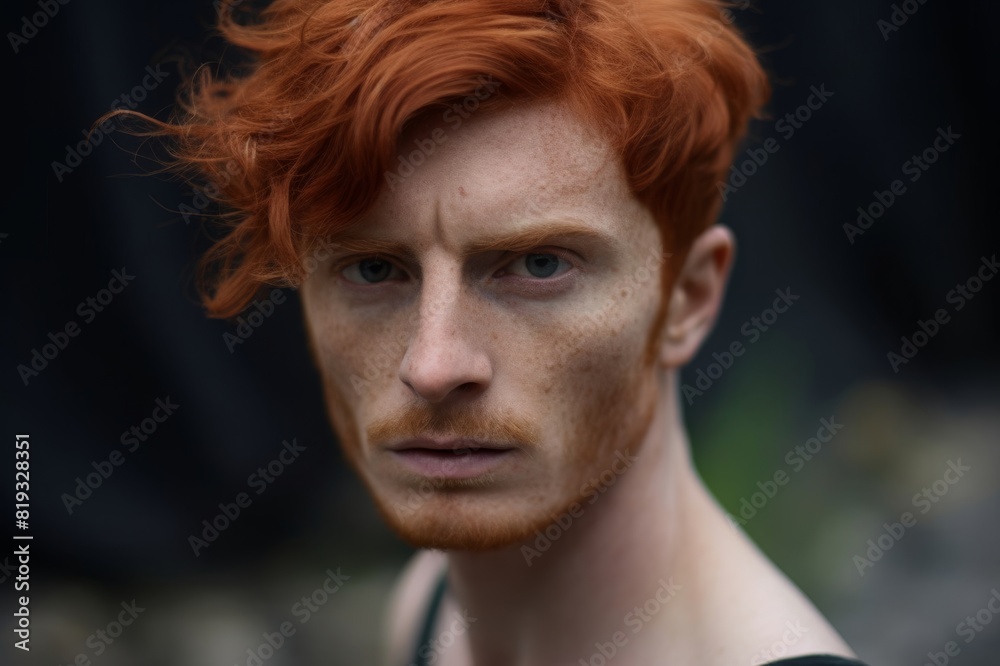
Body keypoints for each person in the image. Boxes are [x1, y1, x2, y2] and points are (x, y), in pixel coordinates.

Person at [107, 0, 873, 664]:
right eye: (373, 270)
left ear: (689, 299)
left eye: (539, 265)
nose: (434, 365)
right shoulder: (436, 608)